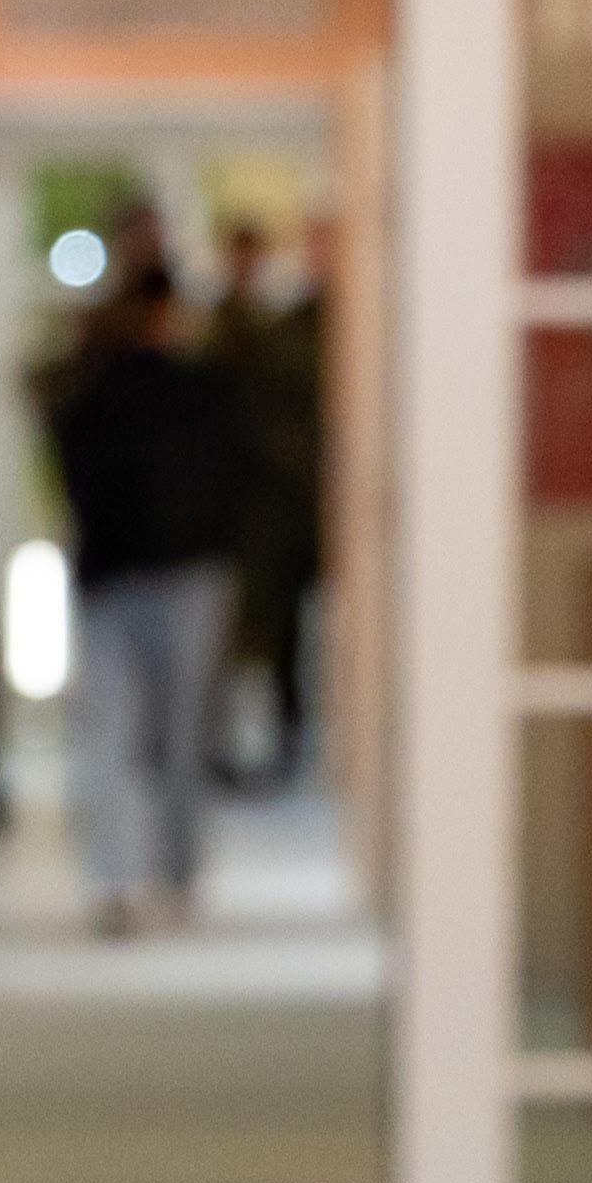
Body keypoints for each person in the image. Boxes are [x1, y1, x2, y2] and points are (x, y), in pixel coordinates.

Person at [32, 229, 244, 934]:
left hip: (134, 576)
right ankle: (158, 878)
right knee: (167, 732)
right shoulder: (175, 390)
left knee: (120, 733)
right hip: (166, 576)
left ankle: (125, 881)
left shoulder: (102, 391)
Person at [210, 215, 331, 790]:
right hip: (267, 513)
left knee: (290, 639)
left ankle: (292, 746)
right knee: (265, 638)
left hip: (301, 509)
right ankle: (266, 746)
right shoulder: (251, 331)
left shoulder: (311, 328)